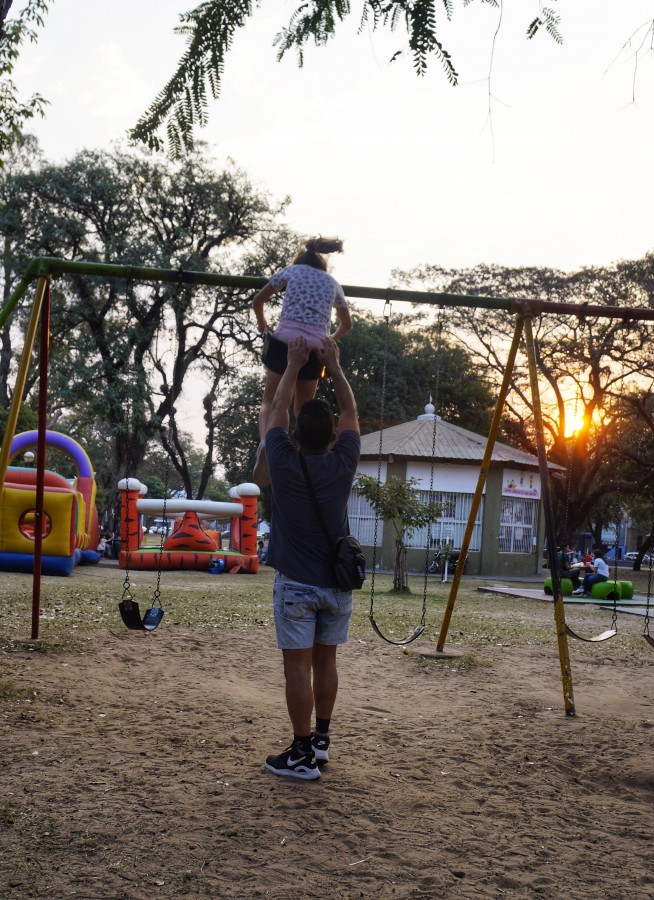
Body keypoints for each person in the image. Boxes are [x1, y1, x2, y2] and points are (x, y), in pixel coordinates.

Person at [263, 335, 360, 780]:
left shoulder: (283, 461)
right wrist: (333, 367)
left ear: (295, 436)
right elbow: (351, 412)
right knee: (327, 663)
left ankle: (300, 754)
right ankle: (320, 741)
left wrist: (292, 365)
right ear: (335, 437)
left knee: (297, 668)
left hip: (297, 585)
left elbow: (276, 412)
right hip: (336, 586)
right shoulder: (343, 462)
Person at [251, 237, 352, 487]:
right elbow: (347, 324)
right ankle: (303, 456)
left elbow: (258, 301)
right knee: (303, 408)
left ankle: (266, 443)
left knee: (271, 401)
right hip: (315, 348)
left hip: (284, 342)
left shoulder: (291, 272)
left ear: (302, 258)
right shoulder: (333, 284)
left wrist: (263, 326)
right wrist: (329, 339)